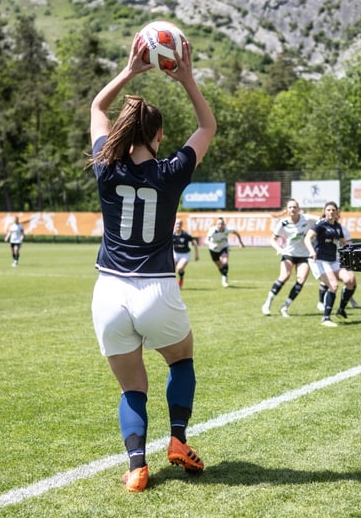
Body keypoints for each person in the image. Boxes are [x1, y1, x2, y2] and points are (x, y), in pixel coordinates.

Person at [88, 30, 216, 492]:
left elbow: (97, 109)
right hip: (157, 288)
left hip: (109, 293)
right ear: (160, 135)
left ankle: (137, 467)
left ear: (123, 132)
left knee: (131, 387)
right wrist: (187, 79)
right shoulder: (170, 172)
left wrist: (130, 70)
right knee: (181, 361)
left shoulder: (106, 164)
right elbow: (207, 129)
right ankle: (178, 440)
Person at [304, 201, 357, 327]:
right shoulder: (321, 224)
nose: (331, 212)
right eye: (328, 210)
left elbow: (345, 243)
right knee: (333, 285)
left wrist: (356, 250)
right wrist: (312, 251)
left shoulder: (338, 227)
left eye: (333, 210)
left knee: (350, 280)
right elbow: (307, 238)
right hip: (319, 260)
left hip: (333, 261)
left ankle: (341, 309)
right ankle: (326, 318)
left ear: (337, 212)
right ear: (324, 211)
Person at [262, 199, 317, 317]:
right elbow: (272, 239)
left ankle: (285, 306)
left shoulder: (307, 219)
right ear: (287, 210)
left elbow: (322, 221)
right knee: (284, 276)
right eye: (290, 207)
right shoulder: (283, 223)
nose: (292, 209)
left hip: (304, 255)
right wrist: (278, 248)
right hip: (288, 254)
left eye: (294, 207)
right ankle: (268, 303)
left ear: (298, 209)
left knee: (301, 280)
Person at [205, 216, 245, 287]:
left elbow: (236, 233)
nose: (220, 225)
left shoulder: (227, 229)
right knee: (219, 266)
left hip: (224, 247)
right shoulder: (212, 230)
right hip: (213, 249)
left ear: (224, 224)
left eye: (222, 224)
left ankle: (224, 279)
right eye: (219, 224)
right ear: (216, 224)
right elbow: (206, 240)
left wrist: (240, 242)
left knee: (225, 262)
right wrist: (212, 244)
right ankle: (224, 274)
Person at [172, 219, 199, 288]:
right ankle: (171, 284)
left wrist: (196, 254)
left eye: (180, 224)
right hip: (175, 253)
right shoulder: (172, 235)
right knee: (170, 268)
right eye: (177, 224)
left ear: (182, 225)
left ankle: (181, 278)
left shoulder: (185, 235)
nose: (178, 225)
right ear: (174, 225)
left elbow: (195, 243)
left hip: (185, 254)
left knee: (179, 268)